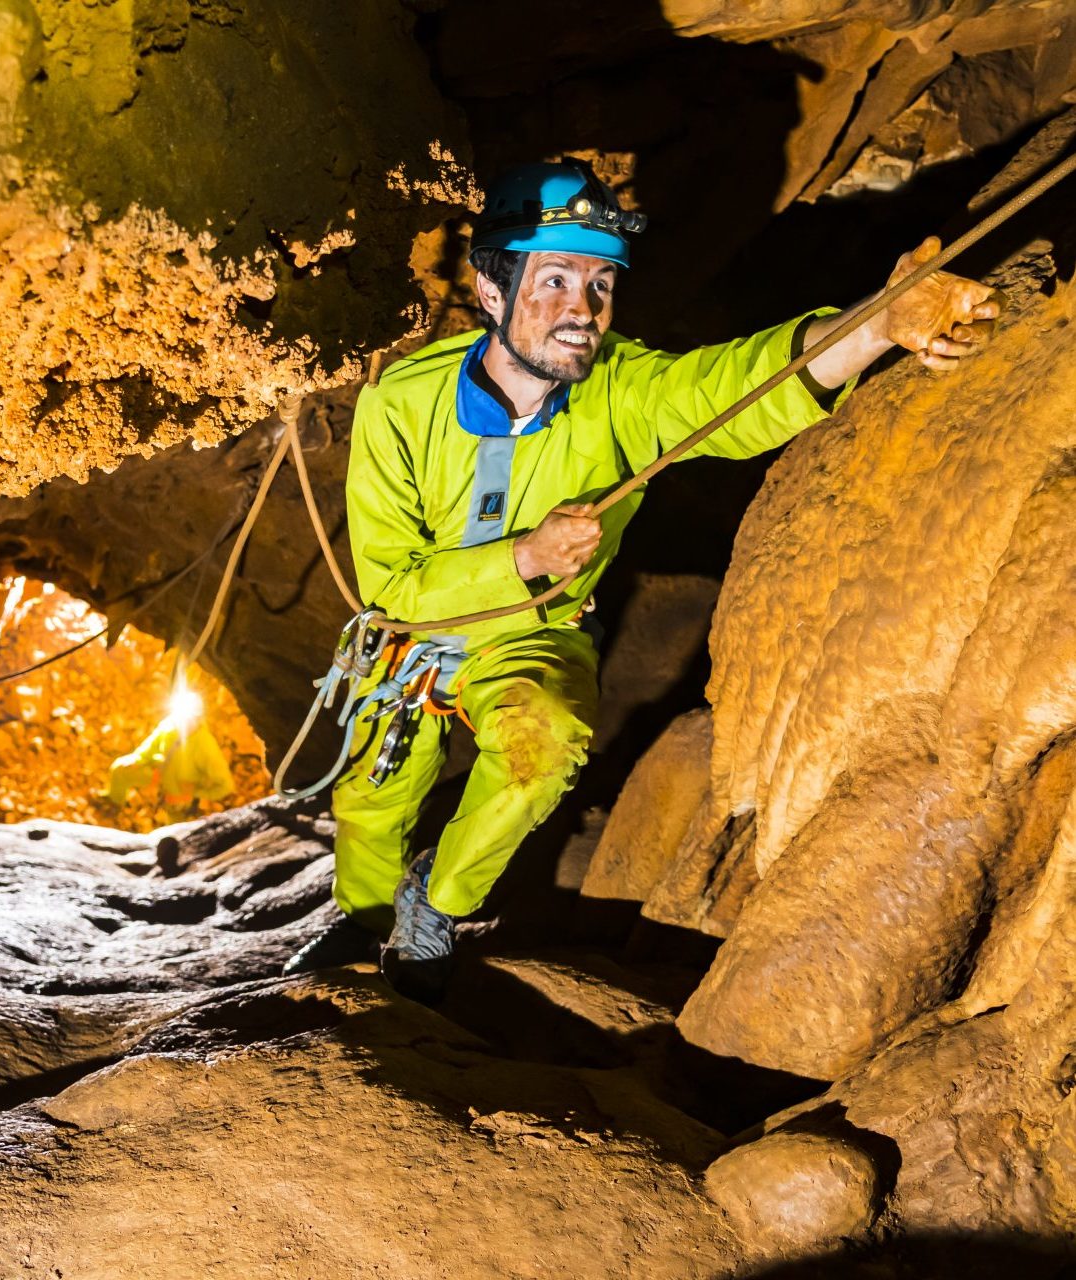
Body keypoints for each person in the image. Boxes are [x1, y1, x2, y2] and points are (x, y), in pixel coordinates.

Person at [287, 158, 999, 1002]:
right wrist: (523, 557)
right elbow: (392, 582)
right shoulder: (399, 404)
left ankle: (435, 906)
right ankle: (362, 918)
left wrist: (877, 327)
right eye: (554, 280)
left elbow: (739, 388)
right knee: (374, 796)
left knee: (541, 747)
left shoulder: (623, 392)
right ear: (491, 290)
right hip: (412, 632)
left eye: (600, 284)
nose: (582, 311)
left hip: (532, 632)